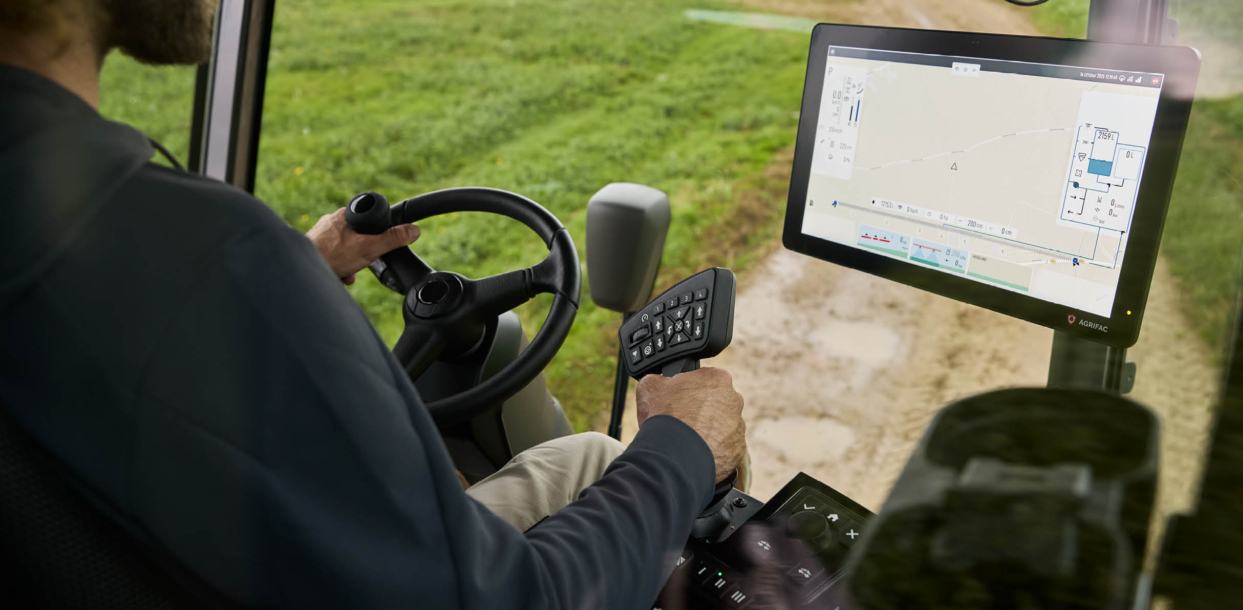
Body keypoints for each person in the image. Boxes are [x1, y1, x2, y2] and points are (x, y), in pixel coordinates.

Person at [0, 1, 748, 608]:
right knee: (627, 460)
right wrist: (682, 446)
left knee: (588, 453)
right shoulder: (211, 256)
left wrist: (297, 269)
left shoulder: (82, 241)